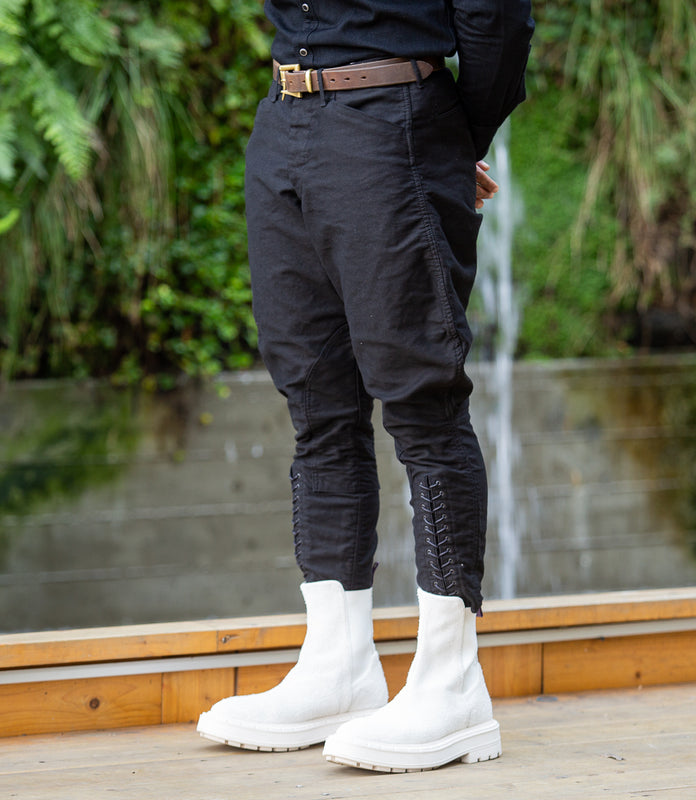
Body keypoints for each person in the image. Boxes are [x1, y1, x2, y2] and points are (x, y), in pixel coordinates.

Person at [197, 0, 534, 773]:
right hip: (285, 119)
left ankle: (452, 683)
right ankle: (338, 665)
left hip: (393, 119)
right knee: (317, 406)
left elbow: (497, 21)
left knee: (423, 406)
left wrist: (449, 139)